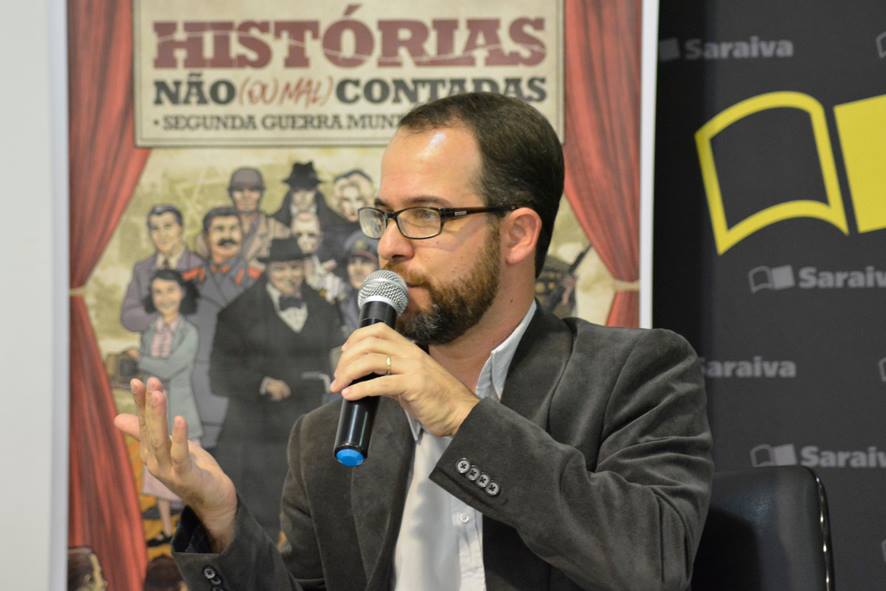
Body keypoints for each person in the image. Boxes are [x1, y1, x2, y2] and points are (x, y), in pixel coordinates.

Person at [116, 92, 713, 591]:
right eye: (384, 216)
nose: (389, 246)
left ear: (517, 235)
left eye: (426, 215)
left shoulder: (630, 373)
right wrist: (220, 519)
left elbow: (654, 563)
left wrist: (462, 418)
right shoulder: (331, 437)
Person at [209, 238, 344, 537]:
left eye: (295, 268)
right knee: (261, 519)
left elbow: (336, 353)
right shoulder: (236, 313)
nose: (289, 275)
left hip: (310, 426)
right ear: (268, 270)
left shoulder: (324, 308)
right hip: (257, 434)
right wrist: (262, 383)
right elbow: (218, 374)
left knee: (316, 512)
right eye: (280, 269)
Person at [132, 269, 202, 547]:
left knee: (186, 475)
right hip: (154, 412)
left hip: (181, 410)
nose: (165, 298)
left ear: (182, 293)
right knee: (157, 475)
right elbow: (147, 372)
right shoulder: (150, 332)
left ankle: (190, 532)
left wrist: (140, 359)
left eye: (171, 290)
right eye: (158, 292)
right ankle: (166, 530)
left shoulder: (189, 332)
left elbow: (172, 367)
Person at [183, 206, 260, 449]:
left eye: (233, 229)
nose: (227, 236)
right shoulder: (187, 283)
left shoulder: (259, 281)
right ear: (206, 238)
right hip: (196, 382)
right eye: (219, 229)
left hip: (243, 385)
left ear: (243, 235)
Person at [120, 205, 204, 333]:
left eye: (168, 227)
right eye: (155, 229)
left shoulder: (200, 265)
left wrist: (159, 313)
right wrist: (165, 316)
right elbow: (128, 316)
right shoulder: (142, 269)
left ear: (180, 228)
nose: (162, 235)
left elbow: (206, 315)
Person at [195, 167, 290, 268]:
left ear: (261, 193)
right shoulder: (207, 236)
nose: (246, 196)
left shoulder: (279, 231)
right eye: (239, 190)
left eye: (253, 190)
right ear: (230, 194)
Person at [337, 230, 379, 335]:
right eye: (352, 262)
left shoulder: (389, 304)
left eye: (365, 262)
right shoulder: (342, 302)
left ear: (378, 267)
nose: (357, 269)